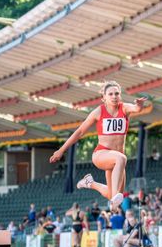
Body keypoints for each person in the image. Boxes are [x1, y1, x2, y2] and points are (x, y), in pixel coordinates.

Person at [50, 80, 147, 208]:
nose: (114, 96)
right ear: (104, 98)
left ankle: (90, 183)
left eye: (116, 94)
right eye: (110, 94)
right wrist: (61, 150)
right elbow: (79, 132)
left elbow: (136, 108)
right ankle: (114, 199)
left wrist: (139, 105)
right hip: (101, 154)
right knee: (121, 159)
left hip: (116, 161)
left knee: (112, 194)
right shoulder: (98, 112)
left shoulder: (124, 108)